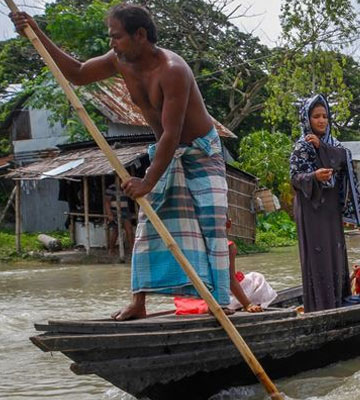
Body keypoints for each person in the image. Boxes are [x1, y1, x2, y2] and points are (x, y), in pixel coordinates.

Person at [12, 4, 230, 320]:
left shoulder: (173, 70)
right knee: (148, 223)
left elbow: (172, 133)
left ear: (140, 35)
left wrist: (147, 181)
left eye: (117, 37)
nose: (112, 43)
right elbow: (78, 73)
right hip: (166, 150)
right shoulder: (119, 61)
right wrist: (35, 32)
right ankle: (138, 302)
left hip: (200, 151)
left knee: (211, 223)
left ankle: (219, 302)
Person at [289, 94, 360, 312]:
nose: (321, 121)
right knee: (318, 256)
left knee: (336, 254)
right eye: (316, 116)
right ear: (307, 119)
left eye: (325, 116)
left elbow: (343, 157)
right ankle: (321, 306)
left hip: (331, 207)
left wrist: (322, 146)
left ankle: (338, 301)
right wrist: (314, 177)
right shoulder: (301, 147)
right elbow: (295, 178)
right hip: (312, 206)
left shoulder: (333, 144)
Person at [175, 219, 277, 315]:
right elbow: (230, 279)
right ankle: (223, 304)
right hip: (216, 297)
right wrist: (247, 305)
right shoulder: (227, 246)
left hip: (188, 299)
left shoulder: (192, 245)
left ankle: (209, 305)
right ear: (228, 224)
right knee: (257, 278)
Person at [104, 182, 135, 255]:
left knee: (129, 230)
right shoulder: (112, 188)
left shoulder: (126, 187)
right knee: (115, 231)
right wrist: (109, 214)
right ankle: (111, 250)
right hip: (115, 212)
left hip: (125, 212)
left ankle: (132, 250)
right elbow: (106, 201)